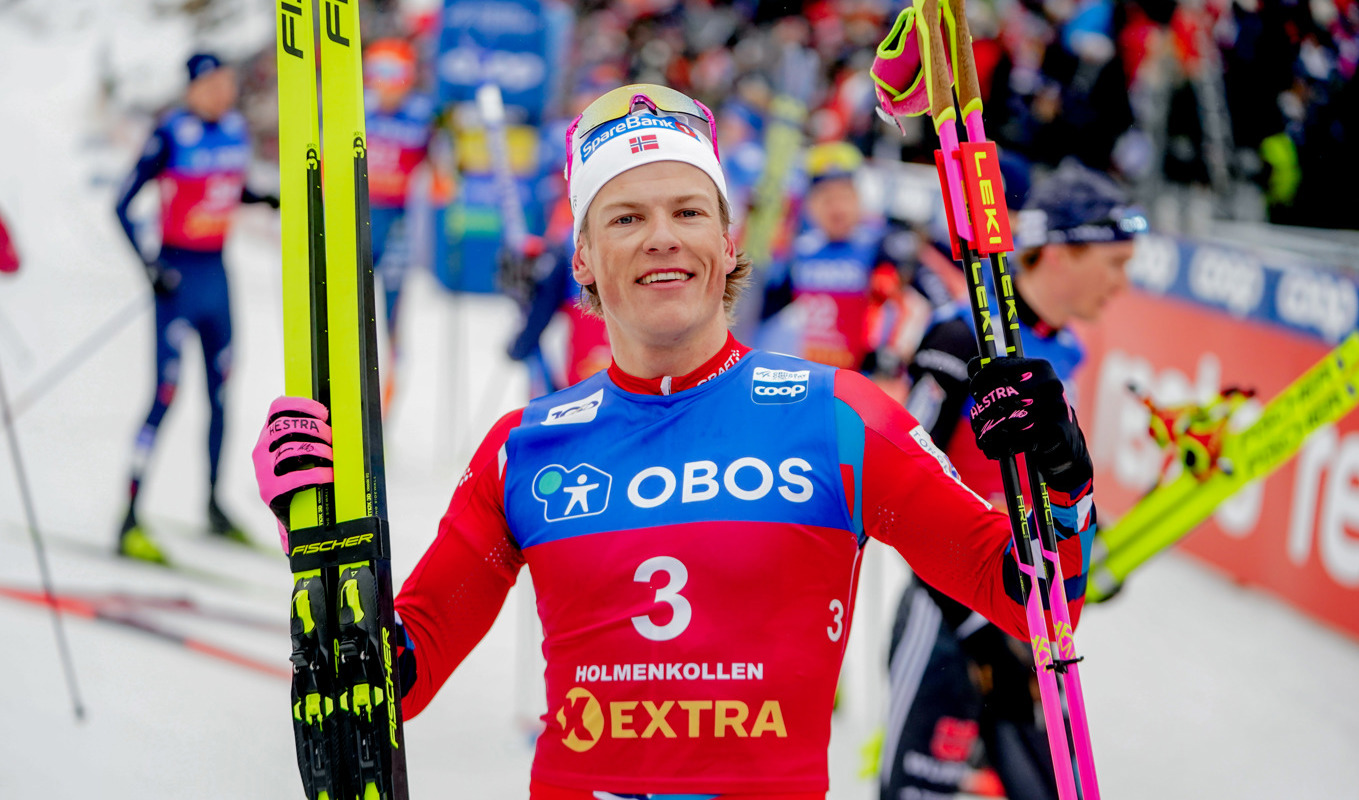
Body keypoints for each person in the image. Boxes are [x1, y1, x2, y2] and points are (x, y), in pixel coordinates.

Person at [255, 84, 1097, 799]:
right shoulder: (525, 450)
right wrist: (318, 542)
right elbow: (389, 687)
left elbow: (1039, 600)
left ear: (726, 244)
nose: (662, 235)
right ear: (583, 259)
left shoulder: (838, 417)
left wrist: (1059, 469)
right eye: (625, 217)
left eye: (688, 211)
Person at [878, 161, 1143, 800]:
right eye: (1114, 263)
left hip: (1028, 623)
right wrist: (975, 633)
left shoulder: (1061, 346)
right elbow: (899, 491)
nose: (1123, 284)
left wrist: (1082, 540)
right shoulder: (960, 337)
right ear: (1060, 252)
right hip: (949, 617)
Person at [113, 53, 278, 562]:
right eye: (211, 85)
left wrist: (265, 199)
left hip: (216, 277)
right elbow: (121, 204)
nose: (222, 93)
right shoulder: (170, 134)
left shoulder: (234, 129)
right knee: (165, 395)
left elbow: (230, 187)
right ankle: (129, 516)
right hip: (178, 277)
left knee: (221, 395)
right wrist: (149, 266)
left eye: (227, 84)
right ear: (191, 89)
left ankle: (213, 504)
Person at [757, 141, 918, 375]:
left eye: (844, 196)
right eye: (826, 199)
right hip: (816, 376)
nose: (837, 208)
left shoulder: (882, 245)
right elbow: (761, 315)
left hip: (866, 378)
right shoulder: (799, 252)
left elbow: (913, 308)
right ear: (811, 205)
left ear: (858, 198)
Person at [362, 38, 436, 349]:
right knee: (354, 295)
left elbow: (437, 163)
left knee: (393, 298)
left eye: (395, 76)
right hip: (358, 215)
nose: (387, 87)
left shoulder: (421, 113)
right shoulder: (357, 109)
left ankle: (392, 360)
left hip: (398, 219)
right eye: (379, 74)